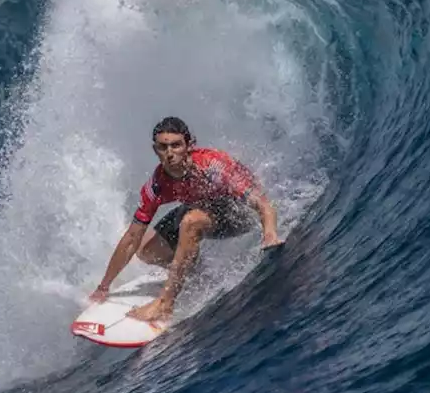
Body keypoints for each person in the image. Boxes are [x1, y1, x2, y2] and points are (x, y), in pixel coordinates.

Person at [89, 117, 284, 323]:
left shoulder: (212, 166)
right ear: (155, 150)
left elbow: (263, 203)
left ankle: (165, 304)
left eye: (176, 145)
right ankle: (194, 271)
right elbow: (131, 237)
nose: (170, 153)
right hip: (199, 207)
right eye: (163, 147)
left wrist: (269, 235)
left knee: (190, 222)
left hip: (239, 214)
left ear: (189, 145)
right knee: (146, 251)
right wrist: (103, 287)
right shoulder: (156, 185)